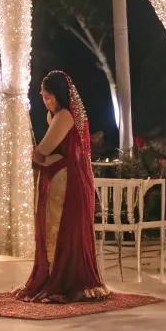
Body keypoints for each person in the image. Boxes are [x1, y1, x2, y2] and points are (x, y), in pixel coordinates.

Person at [14, 70, 109, 304]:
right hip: (58, 177)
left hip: (65, 182)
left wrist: (40, 157)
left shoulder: (64, 116)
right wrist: (43, 159)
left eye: (49, 97)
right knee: (53, 229)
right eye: (43, 97)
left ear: (59, 95)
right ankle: (55, 274)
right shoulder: (56, 116)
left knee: (60, 229)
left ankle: (63, 279)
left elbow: (41, 152)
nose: (45, 101)